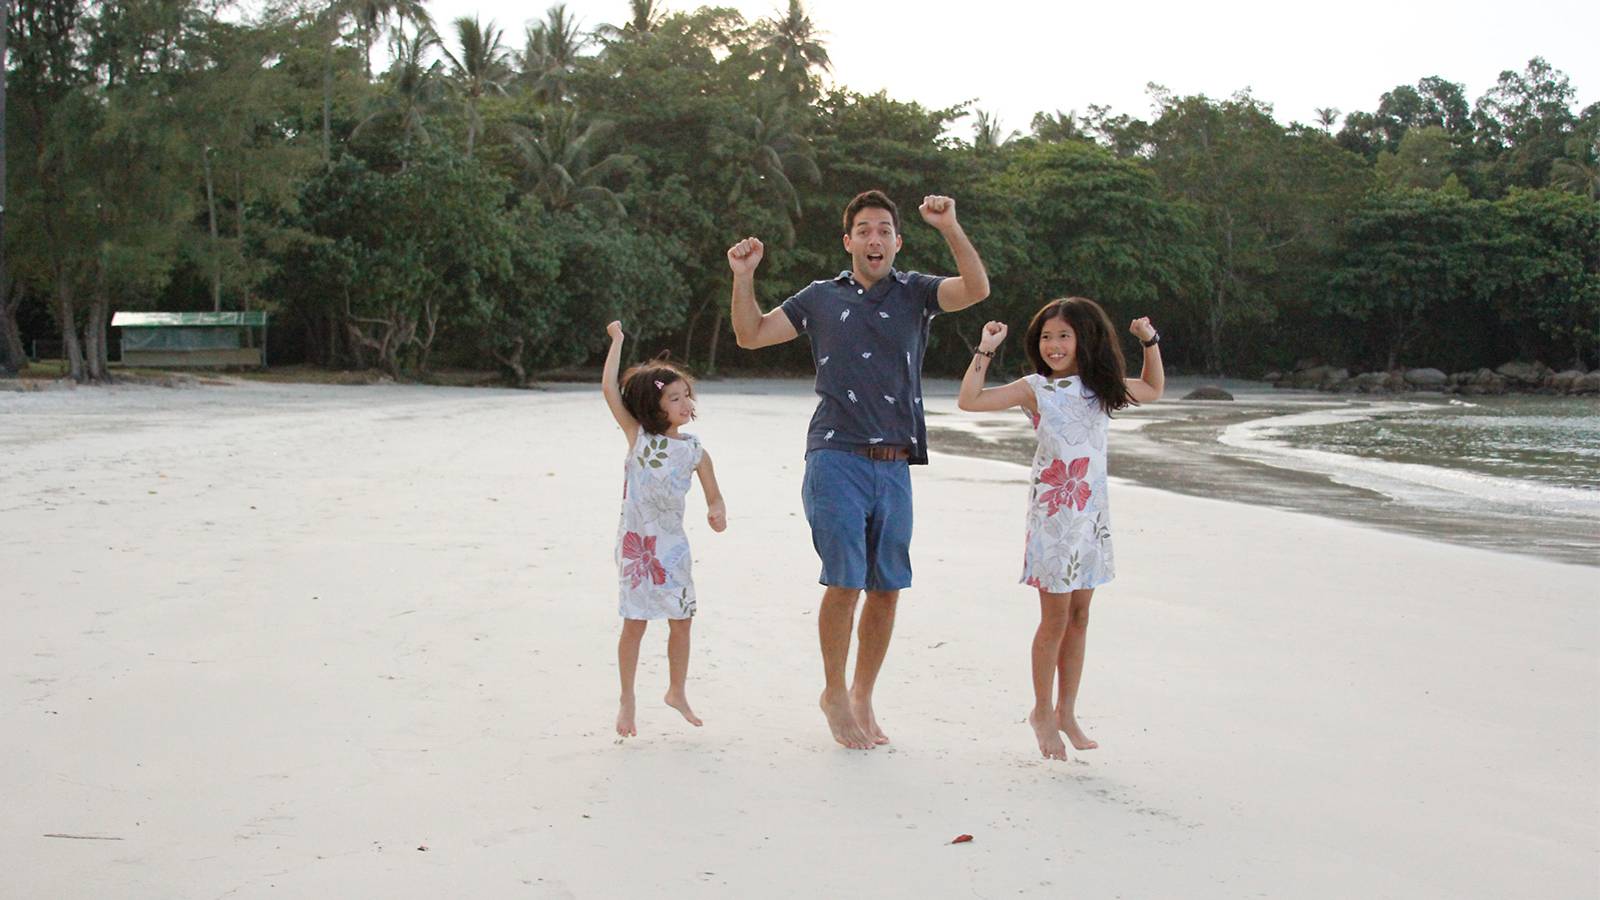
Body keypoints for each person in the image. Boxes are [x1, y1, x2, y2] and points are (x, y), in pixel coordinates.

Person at [726, 190, 990, 750]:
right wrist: (744, 278)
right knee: (845, 580)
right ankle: (834, 693)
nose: (875, 239)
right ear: (848, 241)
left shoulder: (916, 293)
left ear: (898, 241)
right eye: (864, 230)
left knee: (887, 588)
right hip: (835, 453)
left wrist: (950, 226)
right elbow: (751, 335)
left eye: (885, 230)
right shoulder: (819, 297)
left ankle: (863, 693)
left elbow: (976, 289)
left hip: (895, 462)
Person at [955, 298, 1164, 760]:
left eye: (1063, 336)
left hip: (1091, 515)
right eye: (1047, 337)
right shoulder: (1036, 389)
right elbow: (969, 401)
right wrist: (985, 350)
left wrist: (1149, 341)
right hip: (1054, 517)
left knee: (1080, 617)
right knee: (1054, 619)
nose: (1054, 345)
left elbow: (1153, 388)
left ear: (1084, 339)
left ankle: (1067, 711)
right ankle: (1042, 712)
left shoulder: (1100, 387)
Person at [600, 321, 727, 738]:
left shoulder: (694, 450)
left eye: (687, 394)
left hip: (673, 548)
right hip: (638, 546)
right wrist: (618, 341)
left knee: (682, 619)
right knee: (635, 622)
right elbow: (608, 390)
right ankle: (627, 698)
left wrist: (717, 511)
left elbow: (714, 495)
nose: (685, 402)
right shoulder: (637, 437)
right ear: (654, 407)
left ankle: (677, 691)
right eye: (674, 397)